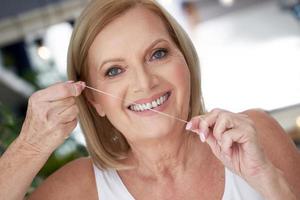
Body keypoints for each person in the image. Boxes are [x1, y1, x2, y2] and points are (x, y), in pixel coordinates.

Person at [0, 0, 299, 199]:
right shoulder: (79, 189)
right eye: (114, 70)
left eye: (158, 54)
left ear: (185, 60)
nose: (144, 83)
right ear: (94, 100)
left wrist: (267, 180)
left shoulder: (256, 137)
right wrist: (29, 148)